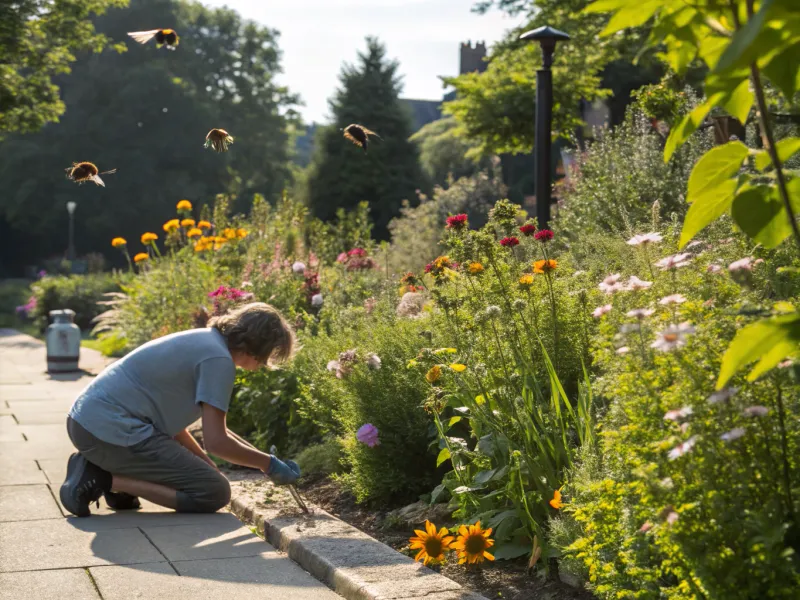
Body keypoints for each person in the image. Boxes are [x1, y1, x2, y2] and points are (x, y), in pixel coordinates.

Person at [60, 302, 301, 517]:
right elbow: (218, 443)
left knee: (205, 477)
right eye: (269, 355)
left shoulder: (206, 341)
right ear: (258, 347)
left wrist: (206, 464)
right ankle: (103, 478)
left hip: (87, 423)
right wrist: (268, 464)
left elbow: (173, 427)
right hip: (108, 432)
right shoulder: (218, 361)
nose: (265, 364)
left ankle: (115, 477)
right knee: (214, 492)